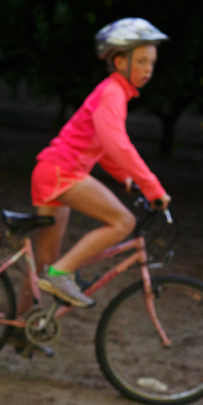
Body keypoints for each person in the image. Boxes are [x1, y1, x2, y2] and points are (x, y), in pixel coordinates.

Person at [22, 18, 171, 312]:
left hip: (52, 170)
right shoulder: (113, 93)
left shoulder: (112, 92)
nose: (148, 69)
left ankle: (20, 325)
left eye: (151, 62)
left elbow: (101, 146)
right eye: (141, 61)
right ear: (118, 61)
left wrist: (122, 176)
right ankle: (61, 275)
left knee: (44, 264)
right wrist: (151, 186)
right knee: (123, 222)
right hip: (62, 172)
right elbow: (117, 144)